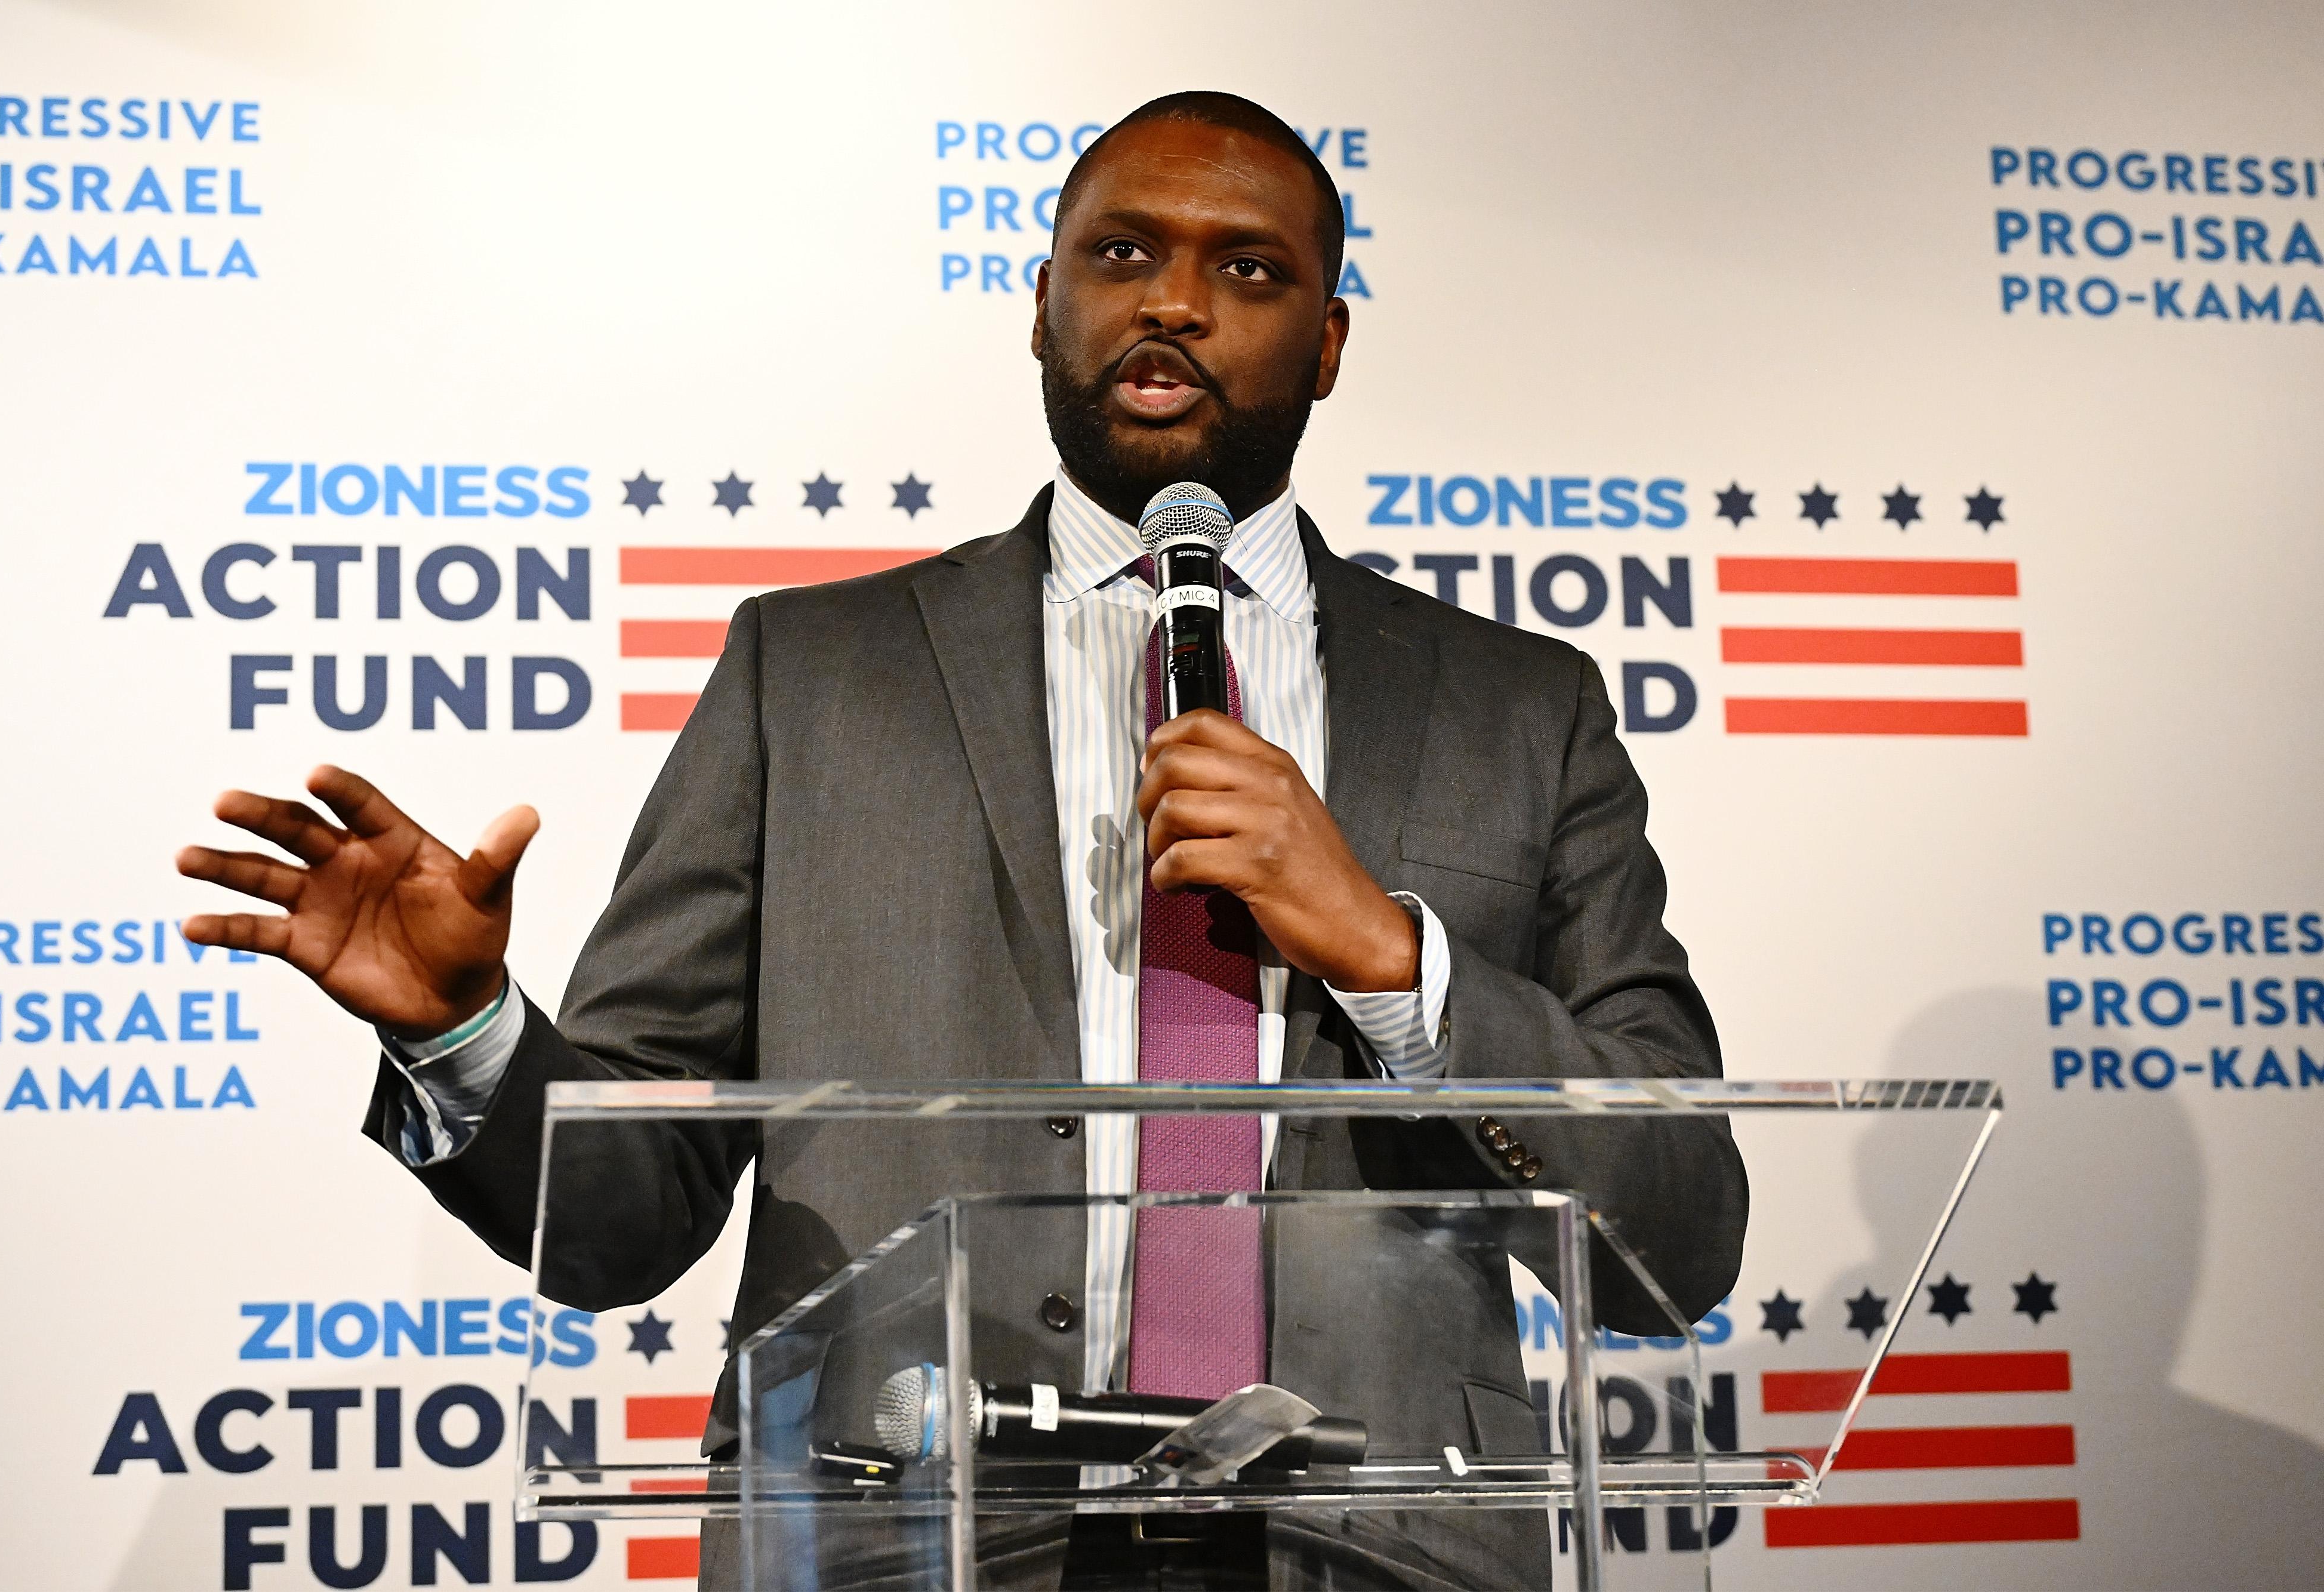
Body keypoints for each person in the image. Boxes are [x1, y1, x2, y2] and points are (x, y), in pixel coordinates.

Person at [178, 91, 1746, 1592]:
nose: (1177, 305)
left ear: (1328, 345)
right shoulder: (812, 674)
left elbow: (1677, 1241)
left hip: (1380, 1541)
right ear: (1042, 304)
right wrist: (464, 1028)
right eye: (1121, 255)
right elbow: (616, 1218)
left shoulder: (1521, 709)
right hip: (897, 1534)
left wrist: (1401, 963)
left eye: (1249, 270)